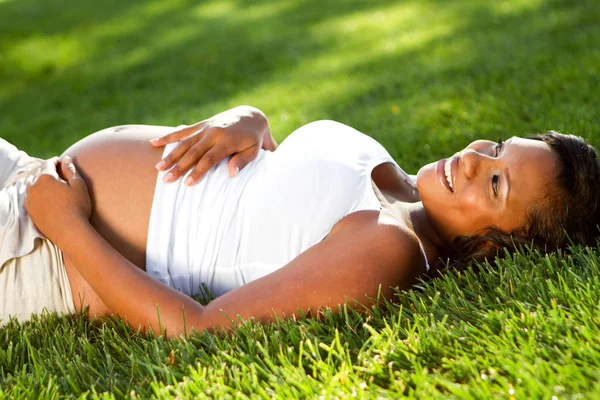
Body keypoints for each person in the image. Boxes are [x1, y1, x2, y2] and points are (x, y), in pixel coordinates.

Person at [4, 106, 600, 337]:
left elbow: (200, 331)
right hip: (38, 180)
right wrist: (252, 123)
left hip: (35, 249)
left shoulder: (386, 249)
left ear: (497, 249)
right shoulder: (393, 183)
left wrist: (67, 226)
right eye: (497, 148)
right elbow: (272, 206)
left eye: (496, 182)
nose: (473, 158)